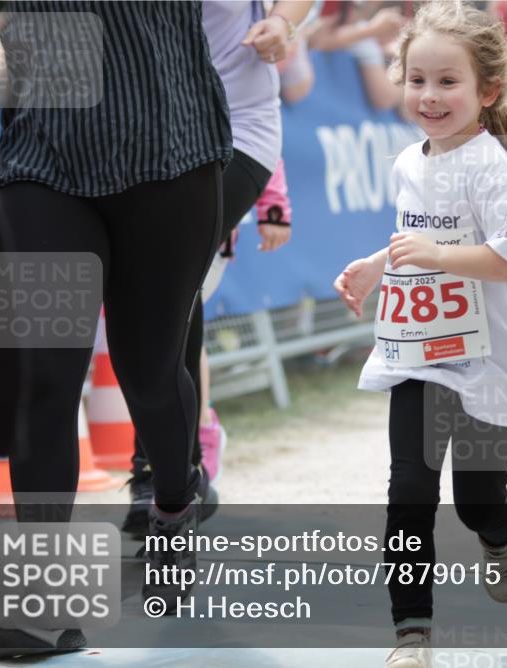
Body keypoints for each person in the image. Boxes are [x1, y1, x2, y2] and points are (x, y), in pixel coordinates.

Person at [0, 1, 232, 656]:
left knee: (148, 372)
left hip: (168, 146)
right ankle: (41, 602)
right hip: (43, 155)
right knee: (41, 377)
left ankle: (174, 503)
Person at [333, 4, 507, 666]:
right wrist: (379, 264)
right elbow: (417, 238)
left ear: (488, 91)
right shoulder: (407, 162)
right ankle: (411, 632)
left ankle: (499, 530)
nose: (429, 95)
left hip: (489, 362)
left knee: (476, 499)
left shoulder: (490, 166)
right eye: (417, 79)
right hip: (420, 353)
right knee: (409, 490)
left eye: (448, 82)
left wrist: (437, 256)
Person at [120, 0, 311, 539]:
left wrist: (282, 22)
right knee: (168, 289)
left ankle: (161, 474)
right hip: (148, 137)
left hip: (237, 131)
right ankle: (176, 470)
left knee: (167, 277)